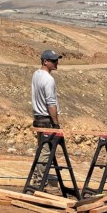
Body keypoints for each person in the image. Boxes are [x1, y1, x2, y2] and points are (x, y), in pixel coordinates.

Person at [30, 50, 63, 185]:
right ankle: (39, 181)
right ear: (45, 61)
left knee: (41, 149)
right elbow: (51, 103)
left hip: (38, 118)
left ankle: (37, 177)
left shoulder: (36, 74)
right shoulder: (48, 80)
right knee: (45, 152)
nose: (56, 63)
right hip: (46, 119)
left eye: (56, 60)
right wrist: (56, 124)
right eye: (53, 61)